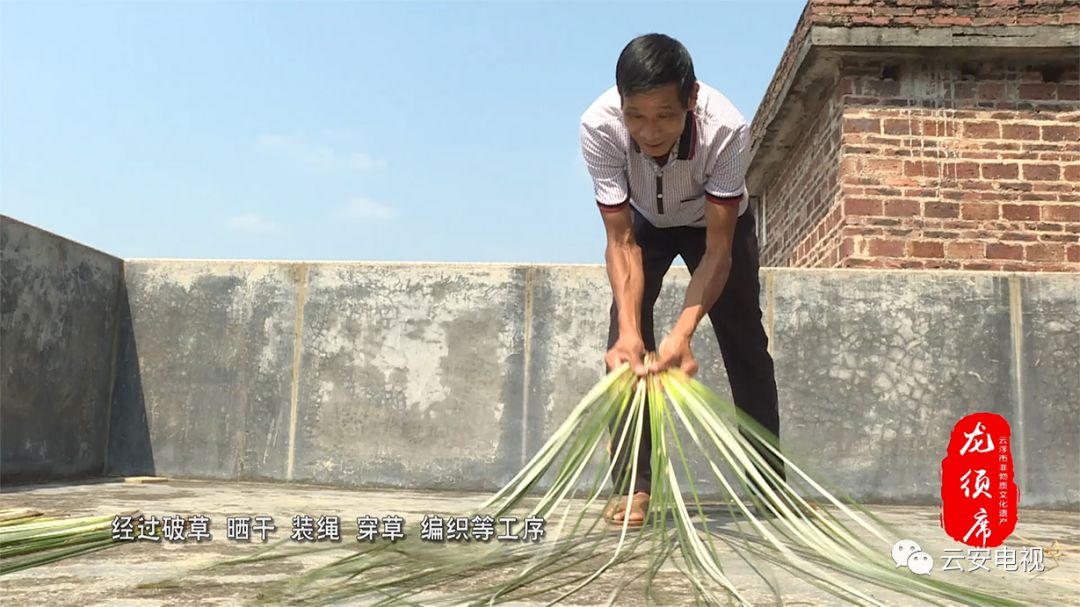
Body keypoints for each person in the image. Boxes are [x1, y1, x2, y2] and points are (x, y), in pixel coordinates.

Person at [579, 33, 783, 526]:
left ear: (691, 101)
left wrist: (682, 335)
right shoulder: (598, 127)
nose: (649, 131)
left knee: (744, 340)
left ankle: (767, 482)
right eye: (636, 115)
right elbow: (621, 241)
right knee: (623, 350)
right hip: (645, 223)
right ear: (620, 103)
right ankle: (634, 485)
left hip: (714, 225)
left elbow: (718, 252)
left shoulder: (727, 129)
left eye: (665, 116)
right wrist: (632, 331)